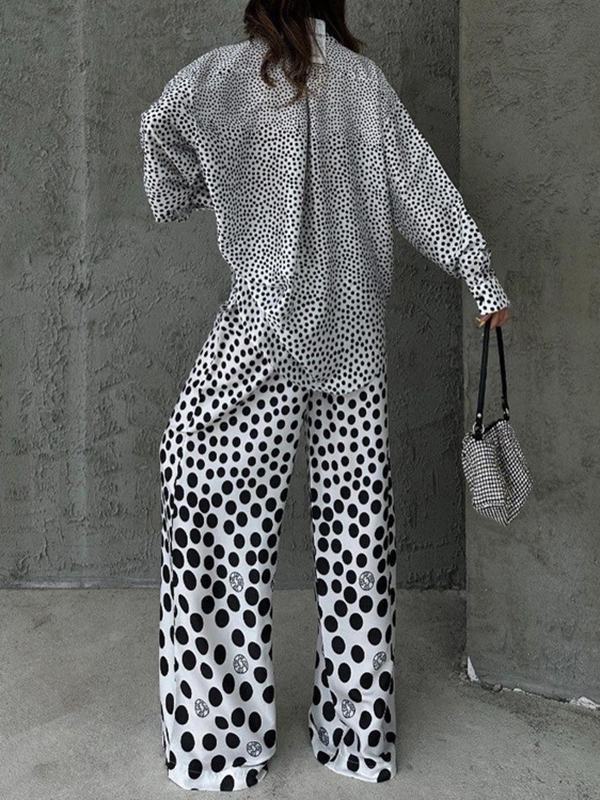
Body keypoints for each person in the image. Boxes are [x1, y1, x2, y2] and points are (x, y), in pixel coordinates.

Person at [139, 1, 511, 792]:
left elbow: (157, 127)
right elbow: (421, 187)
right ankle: (356, 740)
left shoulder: (222, 77)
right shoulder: (365, 85)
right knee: (356, 542)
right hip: (353, 339)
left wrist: (188, 190)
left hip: (264, 338)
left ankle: (220, 746)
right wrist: (478, 275)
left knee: (216, 527)